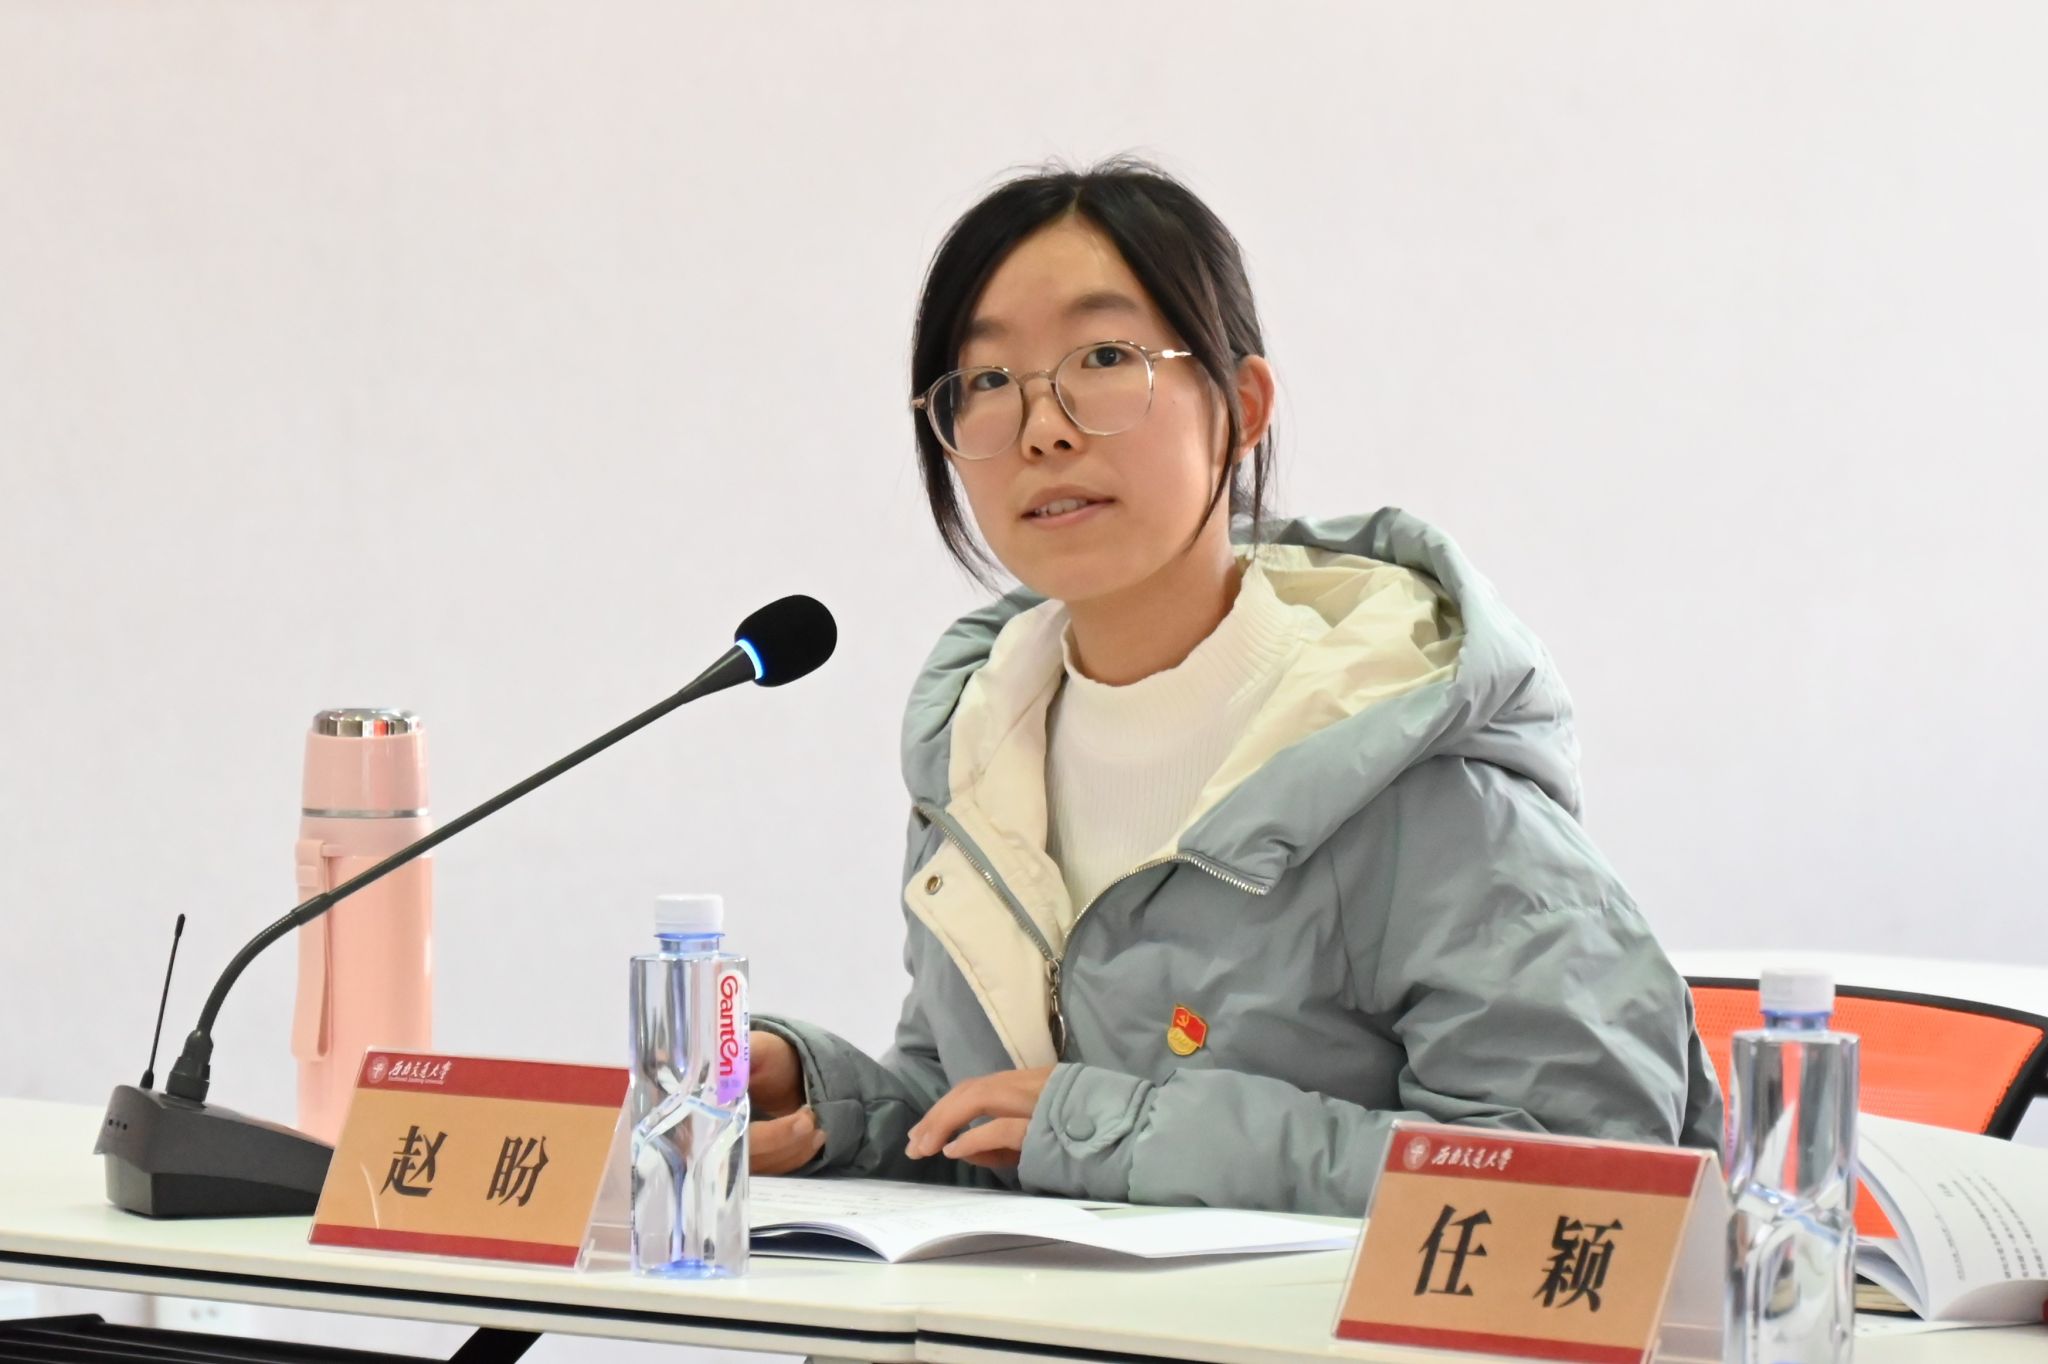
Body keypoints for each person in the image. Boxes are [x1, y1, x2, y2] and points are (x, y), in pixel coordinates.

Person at [746, 157, 1722, 1216]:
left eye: (1104, 357)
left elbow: (1578, 1181)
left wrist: (1116, 1130)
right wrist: (844, 1108)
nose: (1041, 427)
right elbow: (1010, 1123)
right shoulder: (978, 758)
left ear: (1241, 406)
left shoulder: (1405, 763)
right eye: (984, 381)